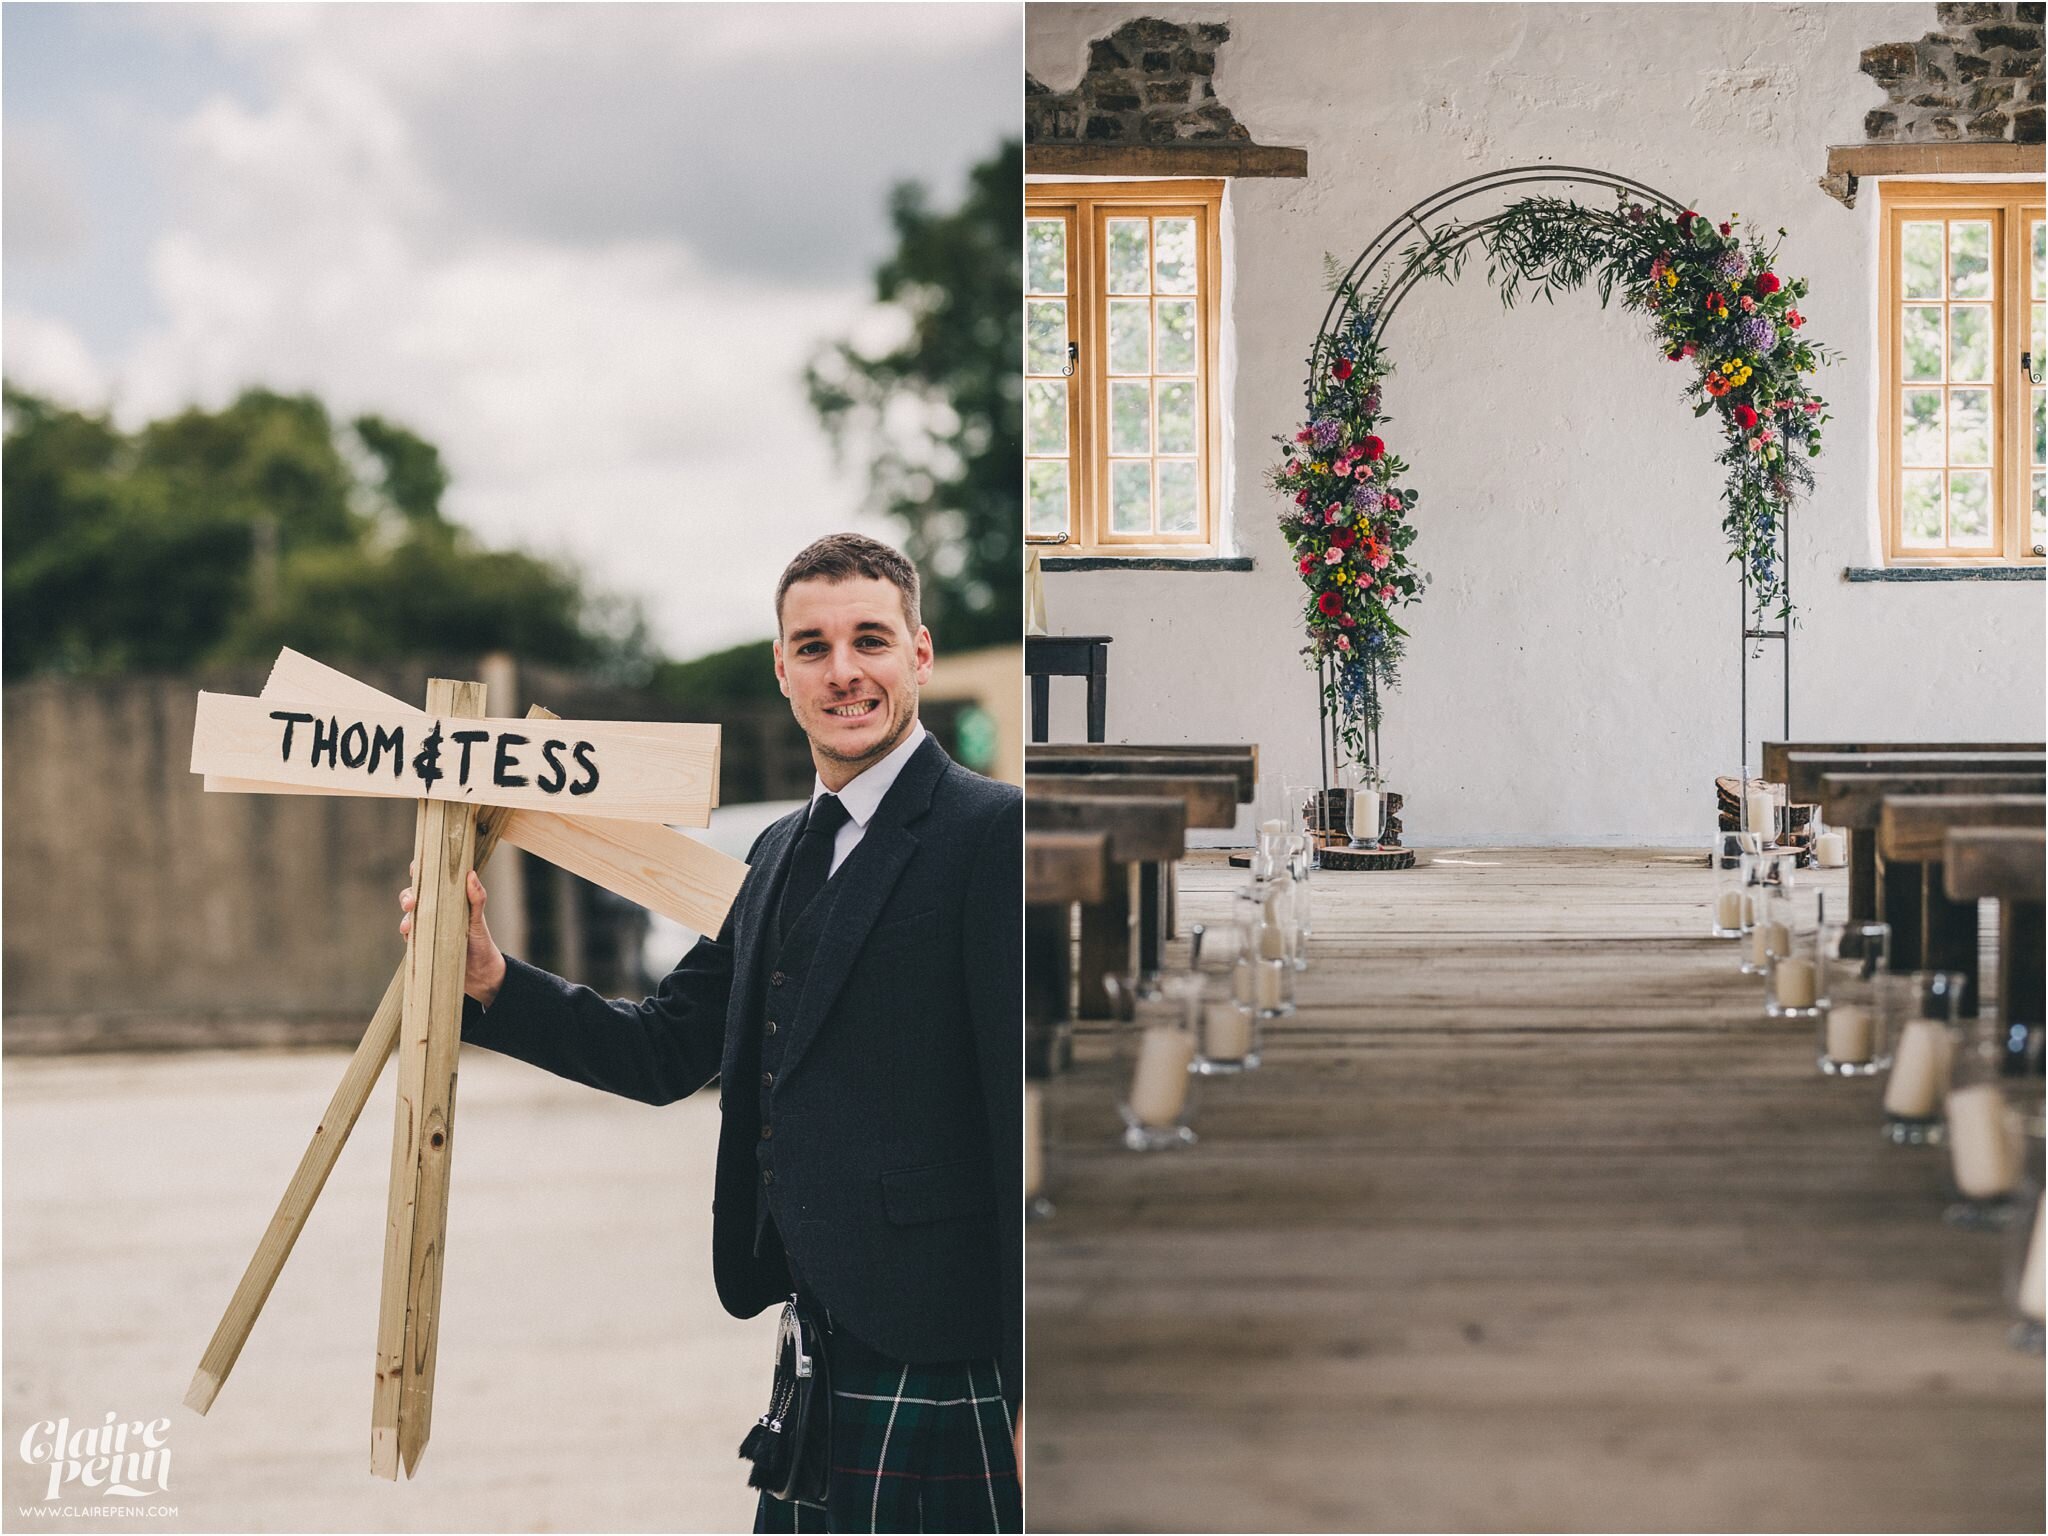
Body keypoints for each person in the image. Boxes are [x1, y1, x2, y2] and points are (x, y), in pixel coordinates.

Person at [401, 533, 1021, 1533]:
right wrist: (488, 980)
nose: (843, 670)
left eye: (870, 639)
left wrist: (1033, 1386)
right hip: (814, 1338)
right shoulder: (777, 852)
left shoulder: (990, 832)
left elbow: (1014, 1124)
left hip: (949, 1348)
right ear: (781, 668)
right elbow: (662, 1051)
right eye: (811, 647)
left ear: (919, 652)